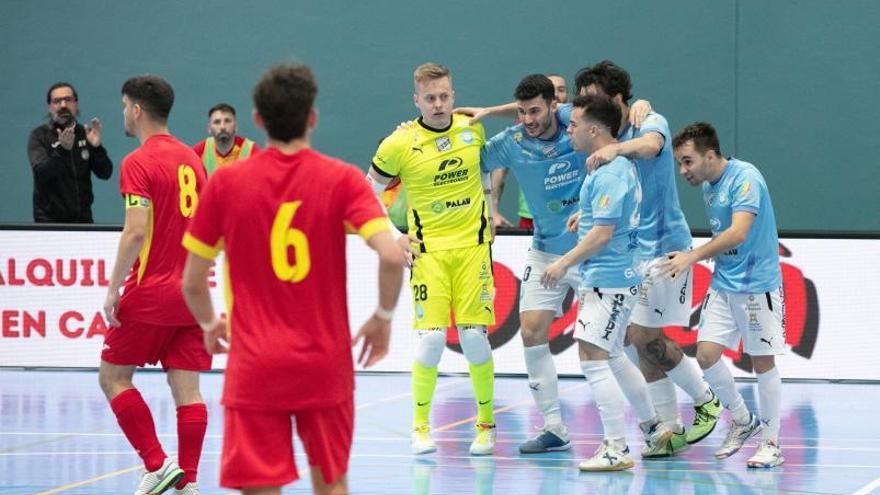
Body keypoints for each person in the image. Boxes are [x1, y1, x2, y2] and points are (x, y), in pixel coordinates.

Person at [182, 63, 405, 495]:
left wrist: (210, 325)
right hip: (325, 363)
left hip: (254, 364)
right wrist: (382, 316)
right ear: (313, 118)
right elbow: (393, 256)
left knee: (260, 488)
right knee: (332, 484)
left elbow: (192, 281)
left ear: (258, 120)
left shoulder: (226, 184)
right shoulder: (342, 179)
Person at [576, 60, 721, 456]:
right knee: (634, 341)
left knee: (642, 337)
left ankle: (706, 398)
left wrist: (616, 148)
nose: (585, 108)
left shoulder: (647, 120)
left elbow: (653, 146)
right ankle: (668, 430)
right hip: (633, 252)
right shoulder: (601, 133)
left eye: (593, 100)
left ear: (618, 99)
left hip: (665, 247)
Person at [368, 62, 498, 456]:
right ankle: (420, 428)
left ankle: (486, 425)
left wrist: (490, 208)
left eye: (444, 96)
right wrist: (393, 236)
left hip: (473, 248)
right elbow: (366, 191)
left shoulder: (472, 127)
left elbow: (485, 170)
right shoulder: (398, 143)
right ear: (416, 100)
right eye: (430, 98)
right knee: (432, 341)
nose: (438, 104)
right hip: (428, 254)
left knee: (475, 336)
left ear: (453, 96)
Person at [542, 94, 673, 471]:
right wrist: (583, 215)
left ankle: (616, 446)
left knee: (592, 358)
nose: (569, 128)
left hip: (611, 279)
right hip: (612, 276)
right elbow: (601, 219)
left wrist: (563, 262)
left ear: (594, 129)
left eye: (574, 123)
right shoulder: (609, 167)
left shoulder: (612, 170)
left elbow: (602, 234)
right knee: (612, 355)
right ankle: (652, 427)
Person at [99, 75, 210, 495]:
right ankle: (189, 483)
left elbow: (136, 231)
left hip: (153, 289)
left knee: (112, 377)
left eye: (125, 105)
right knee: (188, 388)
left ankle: (157, 463)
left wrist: (113, 289)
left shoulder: (138, 161)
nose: (124, 113)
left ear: (136, 110)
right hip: (193, 293)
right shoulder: (192, 160)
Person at [664, 121, 784, 468]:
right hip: (724, 282)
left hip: (756, 284)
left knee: (762, 362)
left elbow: (738, 233)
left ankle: (772, 442)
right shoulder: (709, 186)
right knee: (706, 354)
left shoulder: (746, 179)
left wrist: (692, 257)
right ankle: (743, 421)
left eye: (687, 161)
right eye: (679, 163)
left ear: (710, 155)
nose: (683, 170)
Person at [480, 74, 585, 453]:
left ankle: (654, 421)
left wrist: (644, 111)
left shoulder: (577, 119)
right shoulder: (512, 142)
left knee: (623, 340)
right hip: (545, 248)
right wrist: (488, 204)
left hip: (594, 248)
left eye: (535, 110)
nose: (528, 119)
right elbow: (471, 161)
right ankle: (555, 427)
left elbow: (620, 117)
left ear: (555, 105)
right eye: (521, 111)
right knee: (531, 330)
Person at [490, 73, 568, 230]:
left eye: (561, 89)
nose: (557, 94)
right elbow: (500, 170)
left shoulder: (577, 126)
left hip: (571, 216)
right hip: (531, 218)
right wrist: (493, 210)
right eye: (553, 90)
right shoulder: (521, 132)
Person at [27, 82, 113, 222]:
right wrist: (62, 150)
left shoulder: (85, 133)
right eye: (57, 101)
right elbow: (41, 174)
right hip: (49, 224)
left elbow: (105, 173)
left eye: (68, 100)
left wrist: (97, 148)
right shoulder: (39, 136)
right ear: (49, 107)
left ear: (76, 104)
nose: (63, 105)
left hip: (83, 222)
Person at [192, 103, 260, 175]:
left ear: (236, 126)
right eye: (217, 122)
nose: (222, 127)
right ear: (209, 128)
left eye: (227, 121)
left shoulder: (251, 150)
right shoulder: (199, 152)